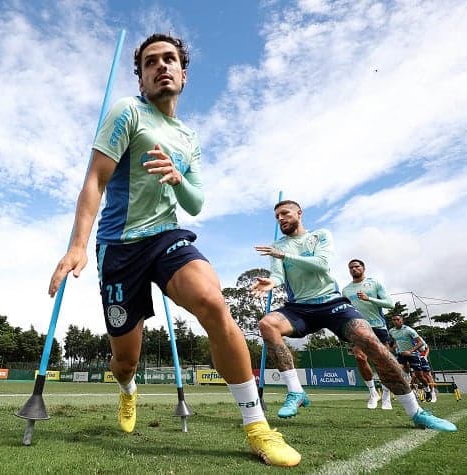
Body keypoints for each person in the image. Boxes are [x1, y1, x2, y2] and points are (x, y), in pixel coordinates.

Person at [48, 33, 300, 467]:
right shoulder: (128, 111)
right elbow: (96, 179)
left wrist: (179, 178)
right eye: (150, 62)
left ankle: (257, 426)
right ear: (141, 77)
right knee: (125, 360)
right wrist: (77, 245)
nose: (161, 66)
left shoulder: (187, 138)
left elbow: (197, 203)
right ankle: (128, 391)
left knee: (212, 301)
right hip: (118, 247)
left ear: (183, 73)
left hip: (166, 237)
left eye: (169, 60)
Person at [252, 200, 456, 432]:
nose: (280, 219)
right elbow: (278, 274)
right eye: (277, 216)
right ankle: (296, 391)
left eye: (284, 214)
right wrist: (273, 281)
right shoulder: (277, 246)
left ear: (299, 213)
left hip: (331, 302)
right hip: (299, 307)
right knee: (267, 324)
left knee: (370, 342)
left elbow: (321, 264)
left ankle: (417, 412)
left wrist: (285, 256)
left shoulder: (320, 236)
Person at [342, 259, 395, 410]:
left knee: (384, 362)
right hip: (358, 327)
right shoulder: (346, 290)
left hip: (378, 326)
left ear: (363, 268)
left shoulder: (374, 283)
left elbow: (390, 303)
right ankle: (373, 392)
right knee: (359, 356)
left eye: (357, 266)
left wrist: (369, 298)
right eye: (351, 267)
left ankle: (386, 395)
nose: (354, 269)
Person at [389, 315, 437, 403]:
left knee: (419, 376)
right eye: (393, 320)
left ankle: (427, 390)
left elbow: (420, 342)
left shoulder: (408, 330)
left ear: (401, 321)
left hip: (413, 355)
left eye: (397, 319)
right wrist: (393, 348)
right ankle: (408, 386)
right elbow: (396, 341)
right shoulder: (391, 331)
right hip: (401, 354)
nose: (395, 321)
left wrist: (410, 351)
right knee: (398, 368)